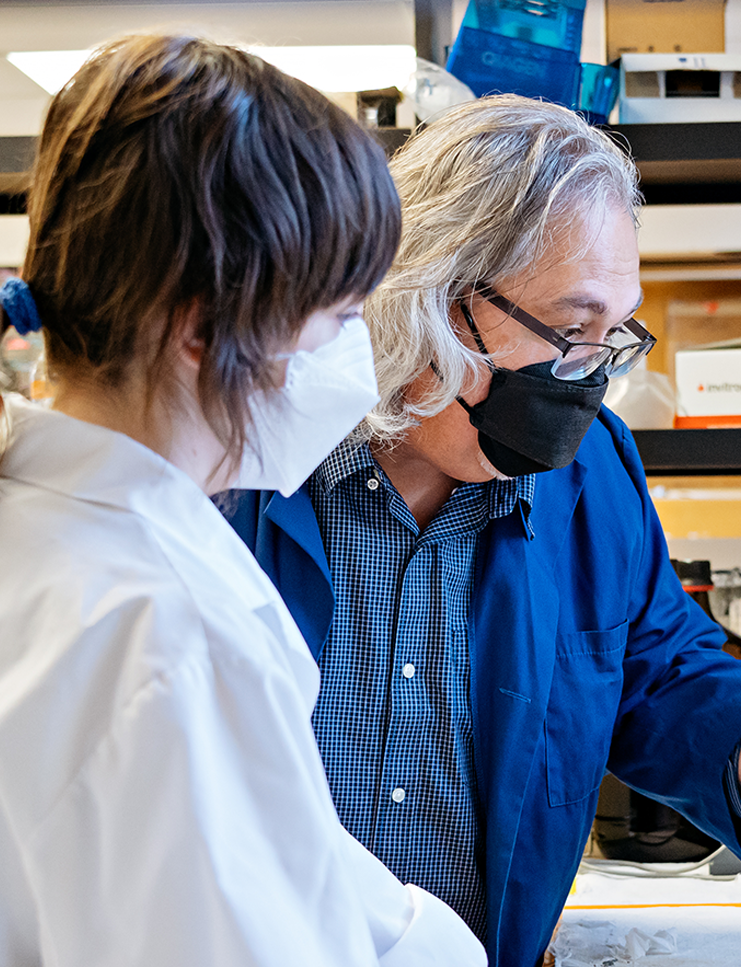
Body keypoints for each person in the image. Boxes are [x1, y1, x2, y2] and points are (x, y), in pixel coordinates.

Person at [226, 94, 741, 967]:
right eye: (570, 328)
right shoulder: (247, 458)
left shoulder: (591, 474)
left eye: (610, 335)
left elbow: (655, 670)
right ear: (436, 296)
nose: (588, 378)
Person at [0, 34, 485, 967]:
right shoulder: (166, 629)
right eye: (339, 321)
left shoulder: (41, 523)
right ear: (202, 324)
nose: (357, 360)